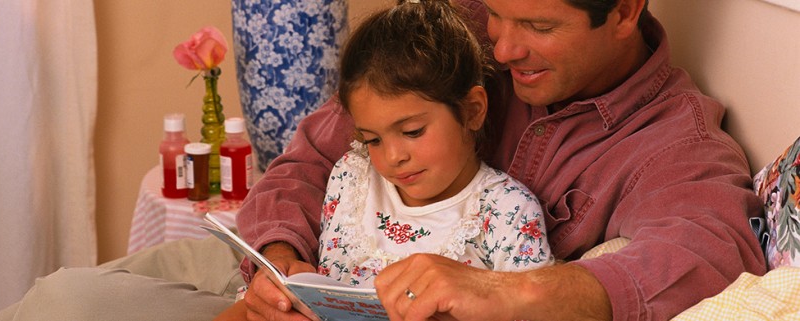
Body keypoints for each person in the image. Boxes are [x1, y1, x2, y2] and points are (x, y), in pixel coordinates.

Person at [230, 0, 767, 320]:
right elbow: (306, 162)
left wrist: (502, 291)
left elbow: (710, 253)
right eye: (495, 13)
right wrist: (279, 266)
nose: (502, 50)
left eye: (538, 26)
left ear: (624, 10)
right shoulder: (449, 37)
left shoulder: (673, 142)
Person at [221, 1, 554, 318]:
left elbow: (535, 313)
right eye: (373, 140)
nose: (393, 157)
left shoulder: (508, 212)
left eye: (412, 131)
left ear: (472, 111)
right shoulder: (352, 179)